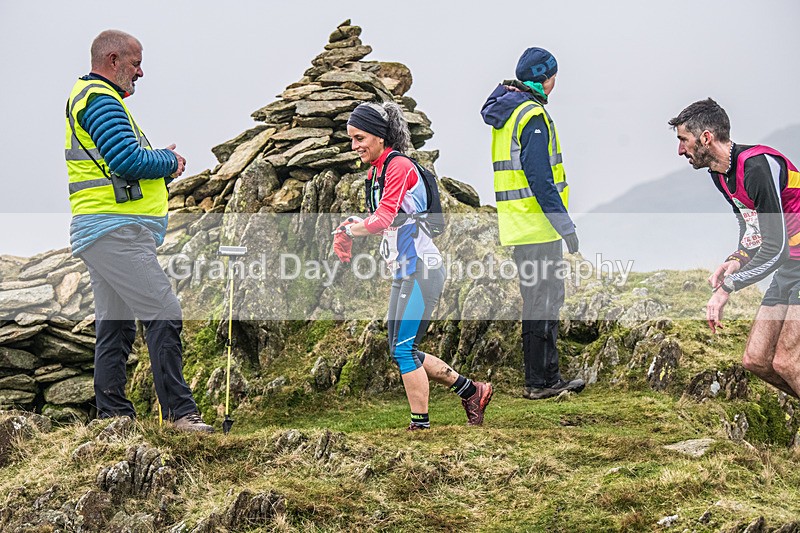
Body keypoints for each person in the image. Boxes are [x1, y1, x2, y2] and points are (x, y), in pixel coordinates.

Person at [66, 30, 213, 432]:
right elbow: (127, 160)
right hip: (115, 230)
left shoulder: (94, 98)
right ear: (112, 60)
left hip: (102, 229)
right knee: (163, 311)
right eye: (135, 63)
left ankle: (113, 418)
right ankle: (181, 415)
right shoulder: (99, 99)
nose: (141, 71)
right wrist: (169, 160)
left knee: (115, 324)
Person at [334, 102, 493, 430]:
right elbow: (383, 220)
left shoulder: (398, 166)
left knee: (404, 349)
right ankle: (471, 391)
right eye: (351, 139)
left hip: (422, 269)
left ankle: (419, 427)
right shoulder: (376, 171)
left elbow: (383, 219)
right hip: (405, 270)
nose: (354, 146)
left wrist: (350, 229)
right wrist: (351, 226)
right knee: (400, 348)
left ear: (379, 136)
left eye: (360, 137)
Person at [670, 98, 800, 398]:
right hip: (791, 265)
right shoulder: (720, 175)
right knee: (755, 359)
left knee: (788, 362)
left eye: (683, 140)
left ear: (705, 138)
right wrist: (737, 260)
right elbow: (753, 229)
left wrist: (727, 287)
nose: (680, 151)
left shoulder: (756, 167)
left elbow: (776, 246)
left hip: (791, 257)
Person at [481, 47, 585, 400]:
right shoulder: (532, 116)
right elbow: (541, 179)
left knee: (536, 301)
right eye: (554, 76)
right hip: (539, 225)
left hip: (519, 226)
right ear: (546, 78)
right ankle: (543, 382)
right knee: (546, 301)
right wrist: (566, 226)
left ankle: (539, 379)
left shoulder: (508, 111)